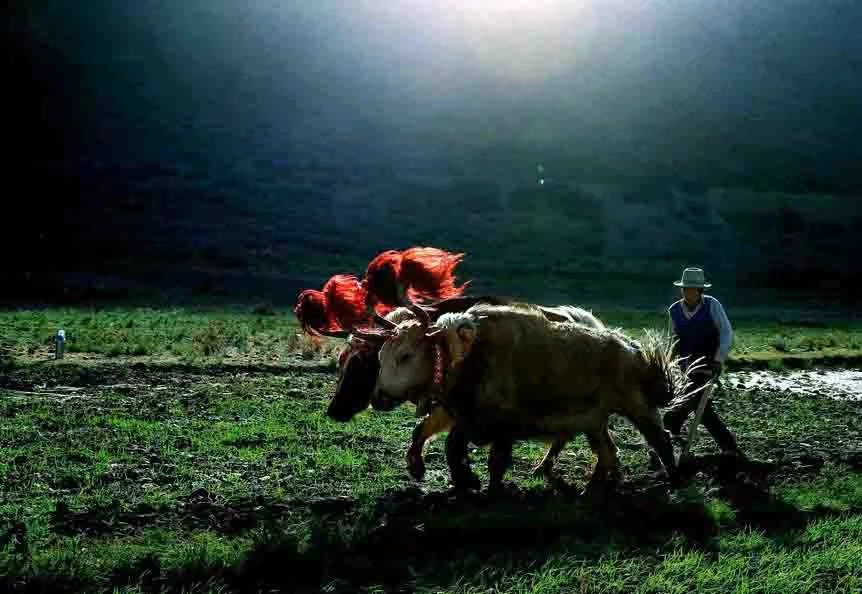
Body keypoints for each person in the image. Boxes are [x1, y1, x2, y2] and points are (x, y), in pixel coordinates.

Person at [662, 266, 743, 455]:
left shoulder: (712, 305)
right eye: (686, 289)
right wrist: (669, 364)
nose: (689, 293)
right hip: (685, 366)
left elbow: (726, 333)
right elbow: (672, 339)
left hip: (708, 364)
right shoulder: (674, 310)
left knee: (697, 404)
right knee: (699, 406)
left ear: (700, 291)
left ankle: (671, 433)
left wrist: (718, 360)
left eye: (693, 290)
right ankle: (728, 447)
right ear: (682, 290)